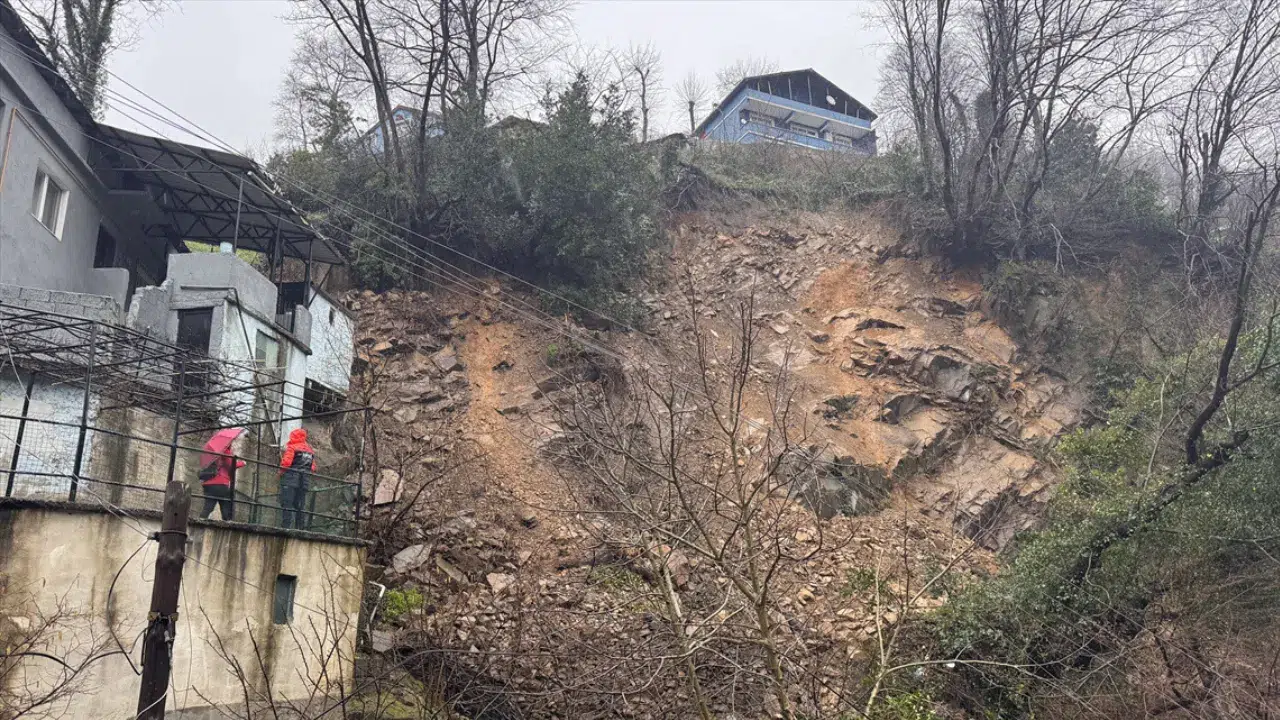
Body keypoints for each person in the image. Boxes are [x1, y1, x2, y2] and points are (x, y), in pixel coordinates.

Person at [199, 428, 246, 521]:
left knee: (208, 507)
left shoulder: (213, 453)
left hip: (208, 484)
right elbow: (231, 465)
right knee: (226, 507)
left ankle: (199, 521)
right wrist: (243, 463)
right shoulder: (225, 452)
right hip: (220, 483)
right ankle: (228, 524)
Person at [279, 427, 316, 529]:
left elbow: (286, 463)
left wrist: (280, 473)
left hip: (290, 480)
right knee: (300, 505)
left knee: (287, 503)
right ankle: (300, 527)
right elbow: (313, 467)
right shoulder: (310, 451)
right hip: (304, 482)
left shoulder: (292, 448)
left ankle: (285, 526)